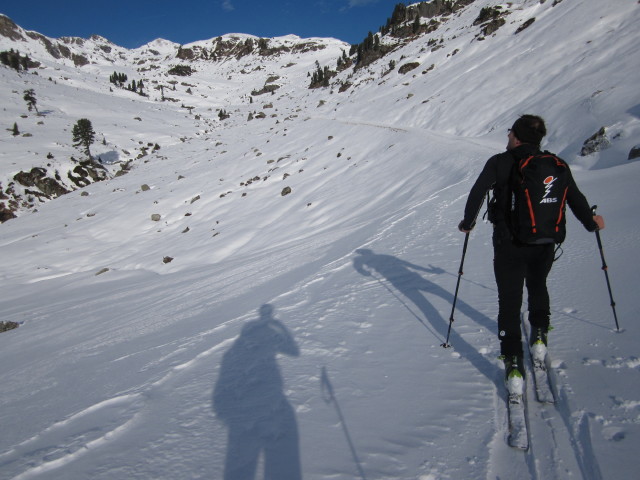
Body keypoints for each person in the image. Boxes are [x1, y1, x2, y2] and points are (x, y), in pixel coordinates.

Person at [457, 114, 605, 394]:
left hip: (508, 244)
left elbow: (477, 193)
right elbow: (575, 197)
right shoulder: (554, 164)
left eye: (511, 132)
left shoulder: (499, 162)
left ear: (517, 136)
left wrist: (468, 223)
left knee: (509, 301)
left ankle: (513, 363)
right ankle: (538, 337)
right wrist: (591, 223)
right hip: (544, 242)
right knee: (538, 286)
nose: (508, 136)